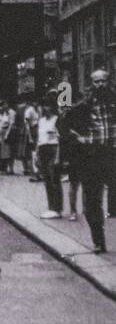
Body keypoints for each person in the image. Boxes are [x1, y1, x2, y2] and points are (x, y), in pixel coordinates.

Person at [59, 68, 116, 252]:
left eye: (103, 81)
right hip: (92, 156)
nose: (100, 85)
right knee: (92, 202)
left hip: (112, 153)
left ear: (109, 81)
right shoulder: (84, 106)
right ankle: (99, 241)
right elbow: (62, 124)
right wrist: (77, 138)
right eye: (96, 81)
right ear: (92, 84)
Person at [35, 98, 62, 219]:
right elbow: (39, 138)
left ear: (52, 107)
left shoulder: (57, 120)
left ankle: (57, 208)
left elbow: (59, 139)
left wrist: (58, 157)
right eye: (43, 106)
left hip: (53, 148)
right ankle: (51, 207)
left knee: (54, 179)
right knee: (46, 179)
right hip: (42, 149)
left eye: (47, 106)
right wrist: (36, 154)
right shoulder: (41, 121)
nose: (45, 109)